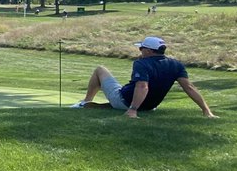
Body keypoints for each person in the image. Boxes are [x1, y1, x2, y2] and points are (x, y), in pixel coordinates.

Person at [71, 36, 216, 118]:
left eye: (141, 48)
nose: (139, 51)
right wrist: (206, 110)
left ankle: (85, 102)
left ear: (147, 50)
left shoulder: (141, 63)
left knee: (100, 70)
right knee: (126, 88)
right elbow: (189, 88)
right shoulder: (176, 64)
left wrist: (133, 110)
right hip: (149, 107)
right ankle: (111, 106)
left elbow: (142, 86)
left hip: (125, 101)